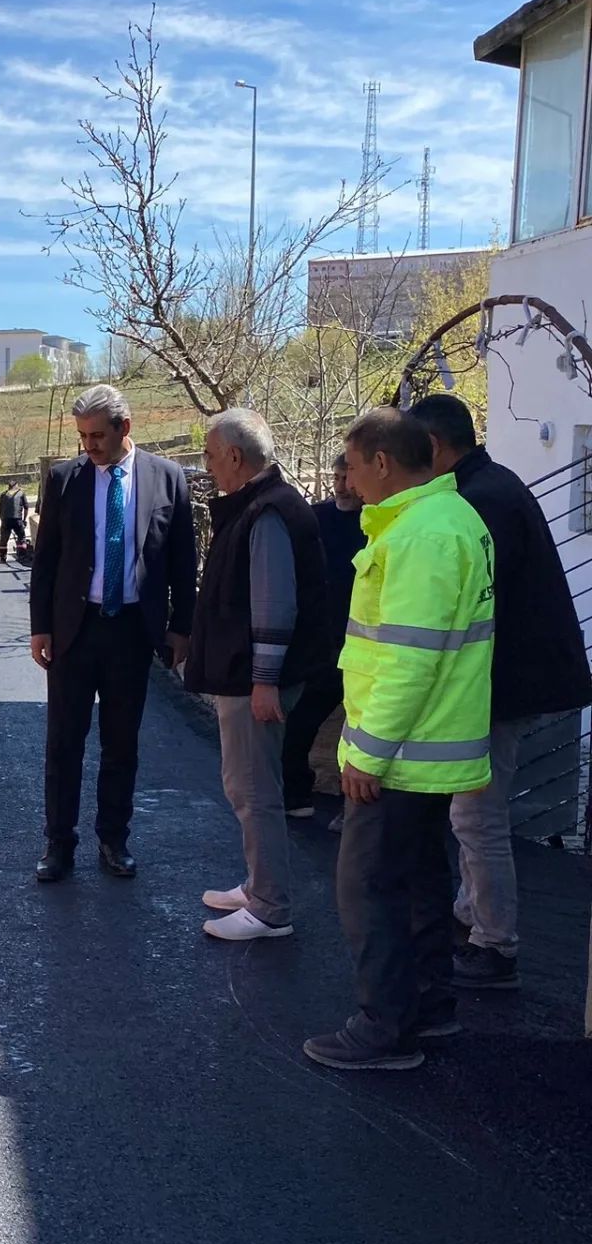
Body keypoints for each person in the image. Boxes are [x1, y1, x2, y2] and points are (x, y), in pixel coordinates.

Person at [304, 407, 493, 1072]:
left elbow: (411, 659)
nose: (347, 481)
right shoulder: (446, 520)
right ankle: (427, 1008)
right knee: (416, 880)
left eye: (352, 467)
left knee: (369, 886)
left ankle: (384, 1029)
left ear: (382, 462)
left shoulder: (420, 535)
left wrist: (367, 753)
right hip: (428, 748)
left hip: (402, 752)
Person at [409, 393, 592, 991]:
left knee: (477, 816)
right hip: (513, 681)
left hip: (498, 687)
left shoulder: (477, 502)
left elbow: (474, 609)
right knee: (475, 813)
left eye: (415, 454)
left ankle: (494, 943)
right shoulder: (494, 486)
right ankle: (473, 916)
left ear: (434, 447)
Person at [29, 384, 197, 883]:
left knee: (121, 743)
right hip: (74, 634)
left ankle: (113, 838)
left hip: (130, 633)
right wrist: (41, 627)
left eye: (97, 435)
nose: (89, 446)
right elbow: (47, 561)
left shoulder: (167, 479)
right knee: (64, 744)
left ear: (126, 428)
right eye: (82, 436)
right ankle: (59, 844)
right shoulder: (64, 480)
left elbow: (183, 561)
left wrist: (180, 628)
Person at [185, 410, 330, 942]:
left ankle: (270, 906)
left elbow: (272, 605)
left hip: (254, 680)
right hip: (250, 676)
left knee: (253, 788)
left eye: (209, 455)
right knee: (247, 784)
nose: (206, 465)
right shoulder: (265, 504)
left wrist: (264, 680)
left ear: (235, 458)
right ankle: (258, 884)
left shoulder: (265, 512)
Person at [282, 453, 365, 824]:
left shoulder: (376, 524)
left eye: (348, 477)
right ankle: (296, 793)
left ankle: (355, 811)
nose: (341, 485)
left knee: (364, 731)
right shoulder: (316, 519)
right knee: (300, 722)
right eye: (336, 476)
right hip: (323, 644)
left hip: (366, 644)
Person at [0, 479, 29, 563]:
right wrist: (24, 520)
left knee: (3, 539)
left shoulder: (3, 495)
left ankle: (2, 557)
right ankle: (22, 556)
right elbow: (26, 507)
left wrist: (3, 520)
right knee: (21, 538)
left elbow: (0, 510)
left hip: (6, 520)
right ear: (16, 485)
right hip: (17, 520)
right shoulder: (21, 493)